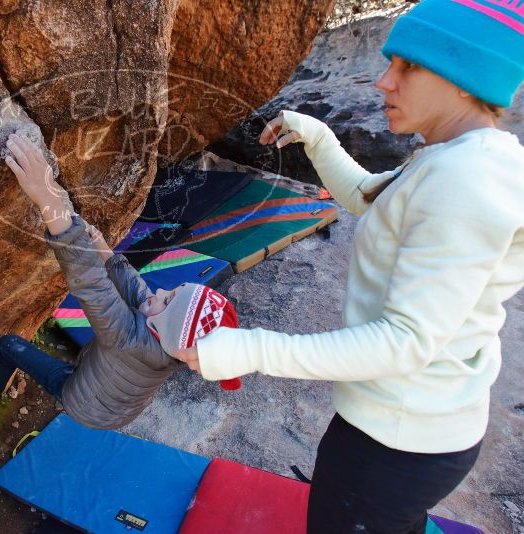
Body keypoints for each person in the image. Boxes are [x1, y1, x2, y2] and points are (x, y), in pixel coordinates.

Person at [172, 0, 524, 531]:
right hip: (408, 426)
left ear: (464, 79)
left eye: (408, 66)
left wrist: (246, 349)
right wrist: (319, 138)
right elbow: (373, 199)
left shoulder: (465, 182)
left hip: (397, 443)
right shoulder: (461, 155)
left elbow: (403, 341)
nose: (384, 81)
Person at [0, 134, 240, 430]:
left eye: (166, 300)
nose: (160, 291)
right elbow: (137, 290)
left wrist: (46, 196)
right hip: (118, 405)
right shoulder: (172, 344)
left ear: (171, 333)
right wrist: (106, 252)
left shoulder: (127, 338)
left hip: (84, 405)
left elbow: (90, 282)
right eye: (170, 292)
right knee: (112, 337)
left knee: (9, 346)